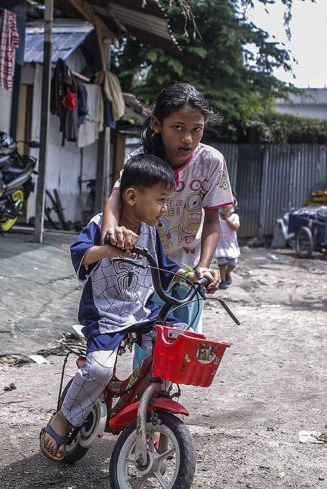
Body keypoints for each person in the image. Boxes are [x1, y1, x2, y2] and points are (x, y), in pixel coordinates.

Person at [39, 154, 219, 461]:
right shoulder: (100, 225)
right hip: (106, 315)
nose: (164, 209)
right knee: (99, 369)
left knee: (175, 344)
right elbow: (79, 254)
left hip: (142, 314)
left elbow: (166, 266)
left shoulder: (150, 232)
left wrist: (195, 274)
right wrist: (107, 249)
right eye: (161, 200)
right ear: (133, 197)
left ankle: (149, 416)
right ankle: (64, 417)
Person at [101, 83, 233, 330]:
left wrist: (203, 267)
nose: (187, 138)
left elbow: (213, 219)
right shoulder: (140, 160)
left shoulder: (211, 162)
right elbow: (115, 199)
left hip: (187, 268)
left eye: (197, 130)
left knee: (184, 345)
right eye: (178, 128)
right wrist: (111, 235)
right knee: (148, 344)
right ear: (156, 124)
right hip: (144, 266)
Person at [216, 203, 241, 289]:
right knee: (222, 264)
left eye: (228, 204)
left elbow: (235, 228)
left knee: (232, 264)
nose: (224, 206)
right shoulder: (217, 216)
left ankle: (227, 273)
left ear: (233, 206)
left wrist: (227, 218)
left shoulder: (234, 216)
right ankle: (223, 281)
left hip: (231, 245)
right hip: (220, 245)